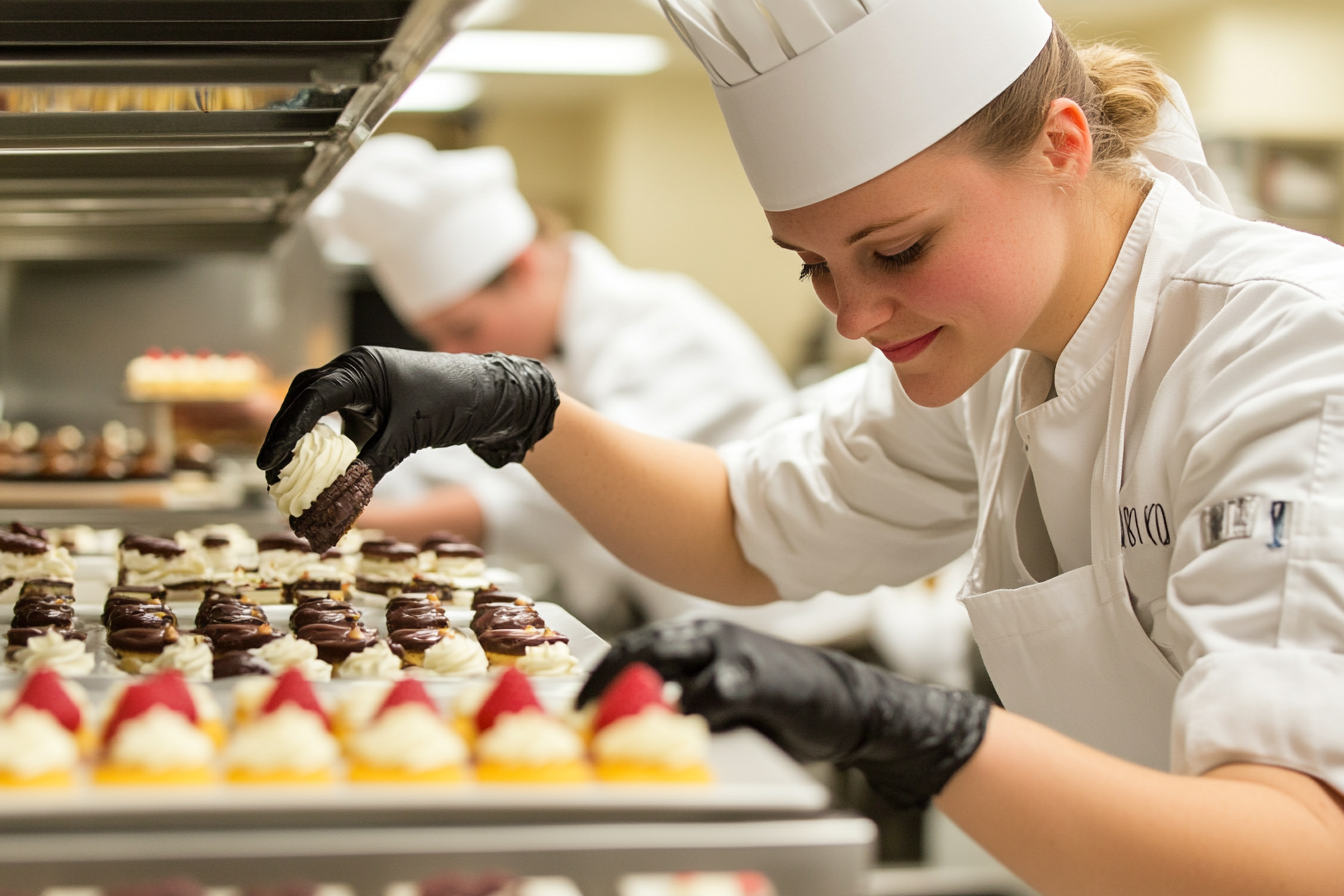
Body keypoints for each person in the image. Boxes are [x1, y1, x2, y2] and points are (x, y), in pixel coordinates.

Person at [262, 1, 1344, 891]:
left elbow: (1299, 850)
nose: (855, 317)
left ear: (1063, 145)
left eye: (899, 248)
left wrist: (916, 728)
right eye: (814, 265)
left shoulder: (1288, 349)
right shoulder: (999, 354)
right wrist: (514, 410)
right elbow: (743, 527)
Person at [308, 135, 793, 620]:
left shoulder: (664, 331)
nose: (452, 356)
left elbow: (567, 500)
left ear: (523, 268)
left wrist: (354, 521)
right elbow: (457, 462)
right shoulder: (548, 353)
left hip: (797, 637)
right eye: (436, 339)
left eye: (464, 328)